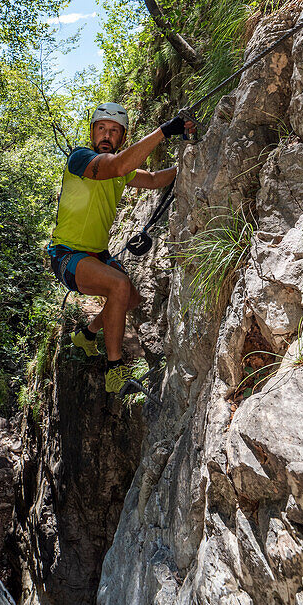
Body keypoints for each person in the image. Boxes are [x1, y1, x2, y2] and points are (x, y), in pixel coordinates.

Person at [47, 102, 193, 394]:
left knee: (130, 299)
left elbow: (152, 180)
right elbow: (117, 165)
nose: (106, 135)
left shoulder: (120, 171)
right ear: (92, 132)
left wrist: (189, 164)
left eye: (114, 131)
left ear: (122, 138)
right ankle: (114, 372)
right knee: (118, 285)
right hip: (67, 254)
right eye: (101, 128)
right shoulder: (80, 158)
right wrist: (164, 131)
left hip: (96, 255)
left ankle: (88, 335)